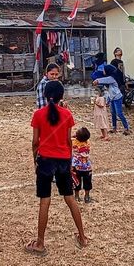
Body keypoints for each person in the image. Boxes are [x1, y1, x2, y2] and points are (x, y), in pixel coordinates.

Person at [26, 80, 88, 255]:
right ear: (62, 96)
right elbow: (69, 141)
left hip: (45, 160)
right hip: (63, 160)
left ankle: (40, 243)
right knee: (69, 198)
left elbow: (35, 142)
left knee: (44, 201)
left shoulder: (38, 114)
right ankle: (83, 237)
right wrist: (69, 161)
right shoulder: (67, 115)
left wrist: (34, 161)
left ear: (45, 95)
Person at [72, 127, 93, 203]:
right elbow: (84, 137)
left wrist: (74, 137)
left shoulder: (74, 143)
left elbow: (69, 139)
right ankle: (87, 196)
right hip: (87, 167)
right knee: (87, 181)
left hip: (76, 166)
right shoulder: (87, 143)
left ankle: (76, 196)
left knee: (77, 181)